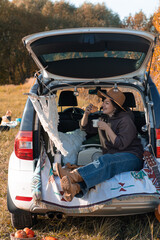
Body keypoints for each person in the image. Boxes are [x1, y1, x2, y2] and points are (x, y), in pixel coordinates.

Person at [55, 86, 144, 202]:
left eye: (107, 103)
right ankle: (75, 188)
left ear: (115, 106)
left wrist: (107, 128)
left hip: (131, 157)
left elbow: (121, 144)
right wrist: (86, 115)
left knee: (106, 161)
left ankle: (72, 176)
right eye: (103, 102)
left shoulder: (126, 120)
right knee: (102, 167)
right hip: (114, 157)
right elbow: (85, 127)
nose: (103, 105)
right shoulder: (105, 118)